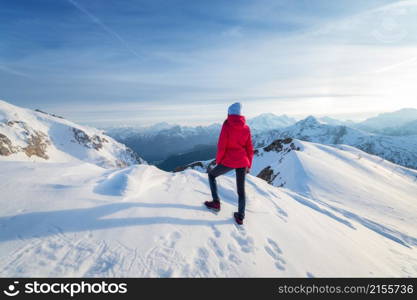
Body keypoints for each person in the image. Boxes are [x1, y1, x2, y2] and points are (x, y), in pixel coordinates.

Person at [204, 102, 254, 225]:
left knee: (211, 175)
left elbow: (222, 146)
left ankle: (216, 202)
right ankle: (240, 216)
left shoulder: (227, 126)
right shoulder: (246, 128)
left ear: (229, 113)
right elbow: (249, 148)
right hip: (243, 161)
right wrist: (249, 164)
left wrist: (219, 161)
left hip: (229, 160)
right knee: (241, 191)